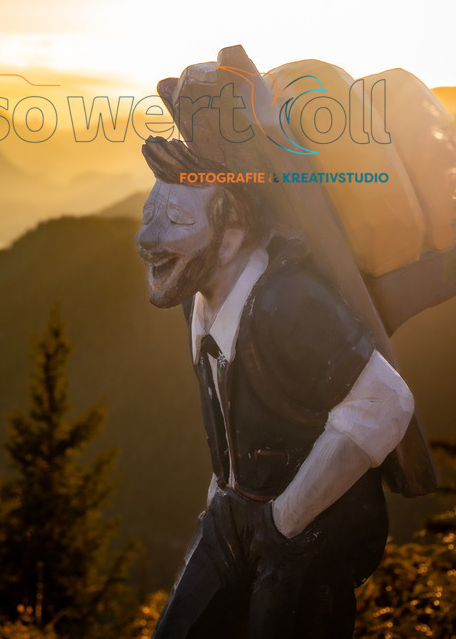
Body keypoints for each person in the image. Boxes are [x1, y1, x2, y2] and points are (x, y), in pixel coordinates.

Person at [135, 138, 414, 639]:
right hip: (237, 512)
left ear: (230, 236)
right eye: (149, 215)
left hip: (315, 530)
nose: (146, 238)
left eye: (174, 221)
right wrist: (222, 489)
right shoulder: (197, 304)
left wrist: (287, 518)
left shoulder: (288, 304)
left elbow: (386, 401)